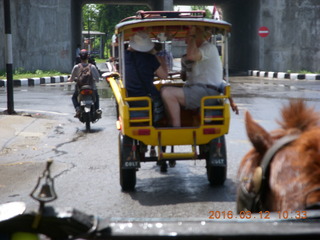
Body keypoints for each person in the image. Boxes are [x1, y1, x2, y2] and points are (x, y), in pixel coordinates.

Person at [161, 26, 238, 127]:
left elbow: (191, 56)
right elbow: (184, 77)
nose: (185, 41)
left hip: (205, 92)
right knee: (164, 88)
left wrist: (192, 36)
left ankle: (175, 126)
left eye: (187, 37)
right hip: (197, 90)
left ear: (196, 36)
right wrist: (184, 68)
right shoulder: (192, 55)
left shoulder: (208, 48)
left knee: (167, 93)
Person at [125, 31, 168, 99]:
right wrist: (162, 61)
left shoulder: (124, 56)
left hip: (129, 95)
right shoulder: (150, 58)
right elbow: (164, 76)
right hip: (147, 96)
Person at [68, 49, 101, 117]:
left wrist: (69, 79)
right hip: (91, 88)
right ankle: (97, 109)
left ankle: (77, 109)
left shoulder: (76, 67)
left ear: (80, 57)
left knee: (74, 97)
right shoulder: (92, 67)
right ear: (88, 57)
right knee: (96, 96)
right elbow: (97, 79)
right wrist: (96, 79)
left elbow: (71, 79)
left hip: (80, 88)